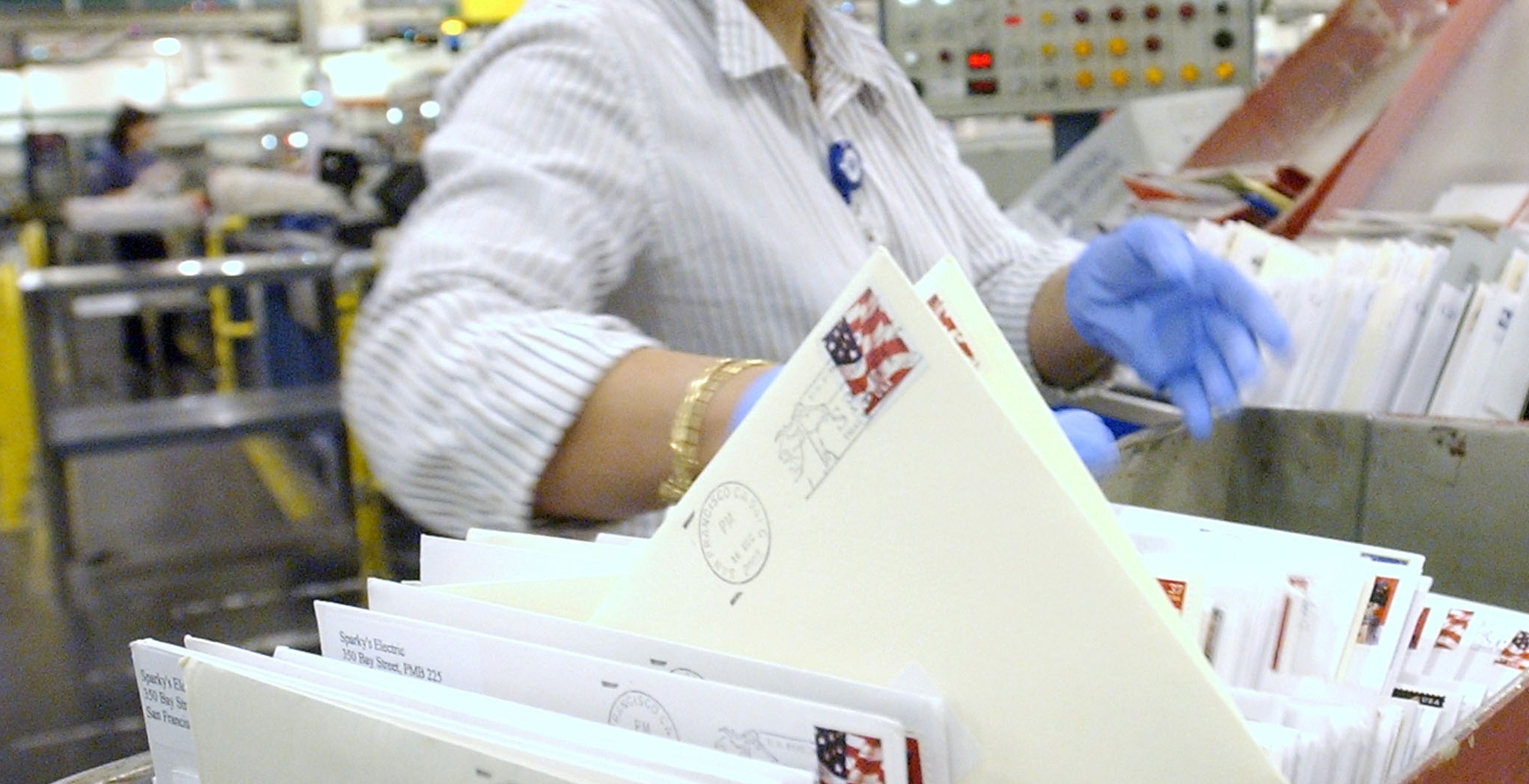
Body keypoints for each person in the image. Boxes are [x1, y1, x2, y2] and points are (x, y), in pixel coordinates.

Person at [345, 0, 1289, 537]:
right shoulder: (594, 50)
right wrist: (775, 415)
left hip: (902, 601)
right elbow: (427, 361)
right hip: (719, 665)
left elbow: (964, 293)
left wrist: (1073, 304)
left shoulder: (853, 62)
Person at [87, 104, 192, 398]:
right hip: (128, 236)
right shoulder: (110, 159)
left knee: (168, 293)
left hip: (152, 232)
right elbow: (102, 196)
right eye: (145, 126)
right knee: (133, 297)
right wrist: (137, 191)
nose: (150, 132)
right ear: (130, 128)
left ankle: (170, 349)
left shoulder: (147, 158)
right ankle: (138, 355)